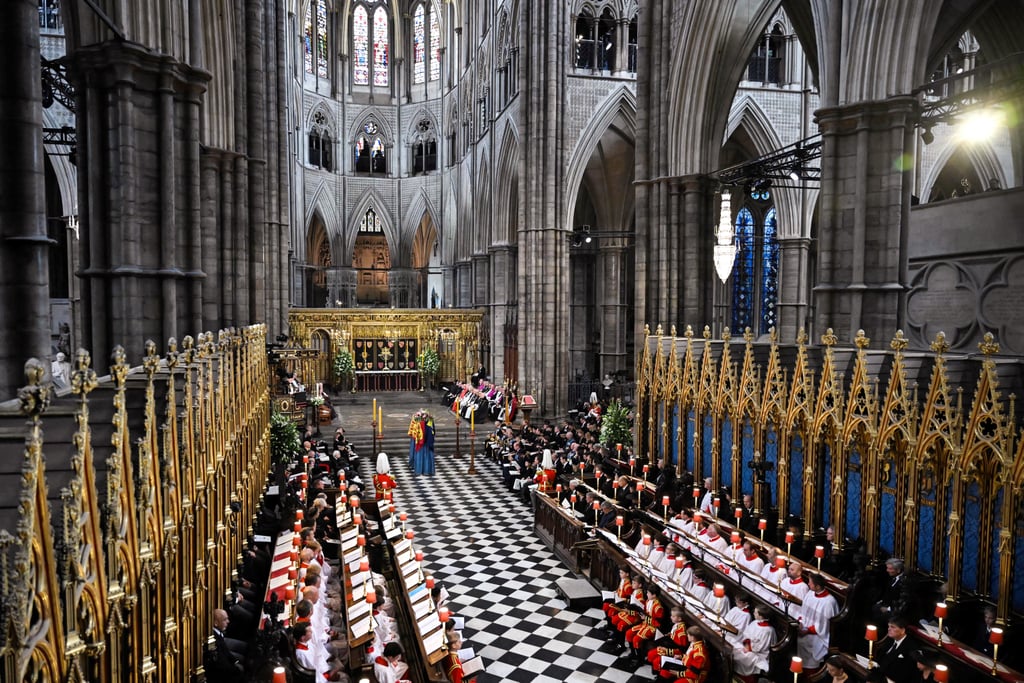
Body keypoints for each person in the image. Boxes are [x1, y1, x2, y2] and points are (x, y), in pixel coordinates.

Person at [797, 573, 839, 668]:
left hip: (819, 635)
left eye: (810, 583)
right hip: (805, 628)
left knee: (803, 643)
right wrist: (800, 623)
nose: (808, 584)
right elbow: (803, 610)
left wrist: (806, 630)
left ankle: (810, 673)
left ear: (818, 586)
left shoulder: (828, 602)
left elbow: (823, 626)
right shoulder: (810, 593)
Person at [730, 605, 775, 681]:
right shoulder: (755, 622)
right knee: (732, 646)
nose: (753, 613)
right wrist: (745, 644)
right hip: (747, 646)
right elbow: (746, 634)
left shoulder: (768, 631)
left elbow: (761, 647)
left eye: (756, 612)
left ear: (761, 616)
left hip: (758, 654)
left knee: (741, 656)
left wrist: (748, 647)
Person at [204, 609, 244, 682]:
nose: (228, 621)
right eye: (225, 620)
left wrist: (235, 661)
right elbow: (221, 662)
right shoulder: (213, 639)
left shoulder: (218, 632)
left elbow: (226, 651)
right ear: (216, 623)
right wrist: (235, 668)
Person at [876, 617, 916, 683]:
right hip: (879, 674)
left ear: (902, 630)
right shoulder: (890, 639)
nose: (889, 629)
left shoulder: (911, 647)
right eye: (888, 626)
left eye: (893, 627)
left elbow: (905, 672)